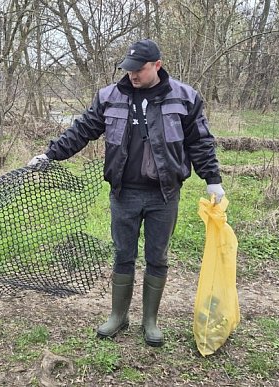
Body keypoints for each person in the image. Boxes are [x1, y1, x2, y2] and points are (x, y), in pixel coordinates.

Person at [27, 39, 224, 347]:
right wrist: (50, 154)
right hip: (124, 193)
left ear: (157, 65)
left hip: (164, 194)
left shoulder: (185, 97)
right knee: (123, 255)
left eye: (139, 69)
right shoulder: (110, 96)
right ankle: (118, 316)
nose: (133, 75)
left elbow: (200, 141)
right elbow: (82, 130)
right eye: (128, 69)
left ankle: (150, 321)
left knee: (157, 257)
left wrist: (212, 179)